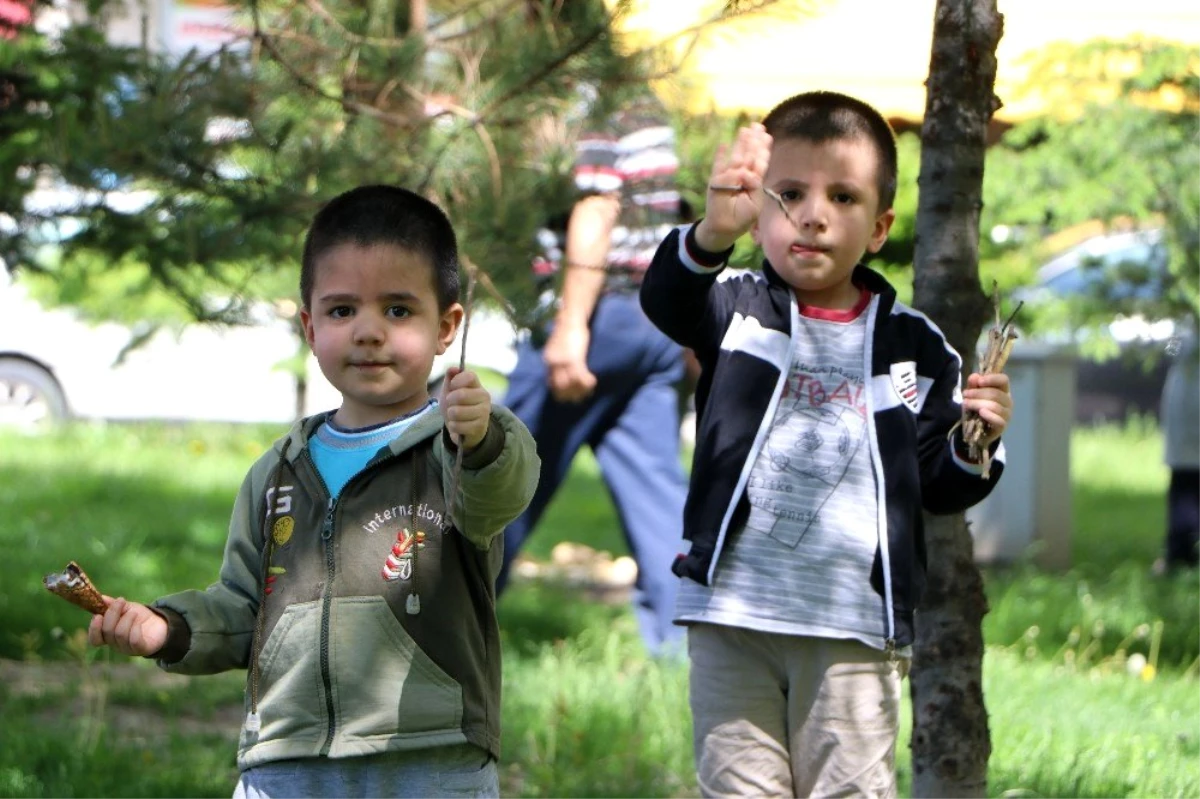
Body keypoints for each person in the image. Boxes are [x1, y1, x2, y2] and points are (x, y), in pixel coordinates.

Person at [88, 185, 540, 798]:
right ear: (309, 324)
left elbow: (499, 491)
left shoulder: (460, 446)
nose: (369, 332)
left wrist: (481, 438)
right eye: (342, 310)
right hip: (286, 759)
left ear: (447, 326)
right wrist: (168, 629)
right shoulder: (275, 472)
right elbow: (245, 609)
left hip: (430, 757)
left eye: (399, 310)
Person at [640, 91, 1015, 797]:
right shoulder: (736, 308)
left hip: (852, 629)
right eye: (788, 194)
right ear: (758, 205)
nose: (812, 215)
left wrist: (978, 440)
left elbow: (940, 483)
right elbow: (668, 300)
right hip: (732, 616)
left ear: (878, 227)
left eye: (842, 197)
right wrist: (711, 233)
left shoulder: (916, 348)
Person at [496, 93, 690, 656]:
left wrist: (571, 326)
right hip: (652, 322)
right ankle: (687, 661)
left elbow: (597, 207)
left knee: (499, 482)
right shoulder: (643, 98)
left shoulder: (586, 95)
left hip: (597, 316)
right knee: (656, 494)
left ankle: (428, 642)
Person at [1155, 325, 1200, 574]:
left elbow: (1168, 349)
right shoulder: (1185, 332)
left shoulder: (1185, 334)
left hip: (1185, 436)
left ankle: (1181, 556)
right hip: (1184, 437)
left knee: (1184, 495)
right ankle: (1182, 556)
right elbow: (1168, 348)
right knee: (1185, 493)